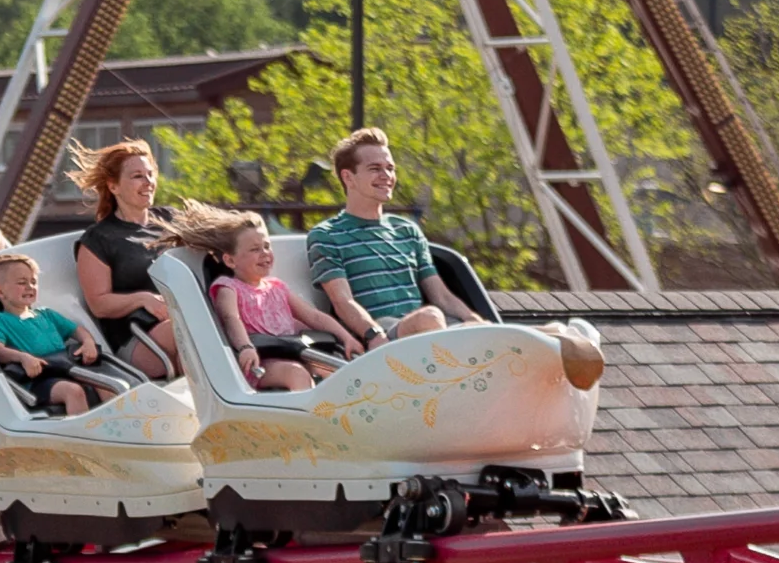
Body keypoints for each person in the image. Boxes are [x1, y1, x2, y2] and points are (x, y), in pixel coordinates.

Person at [303, 129, 498, 349]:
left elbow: (441, 296)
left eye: (390, 168)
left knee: (525, 332)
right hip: (383, 333)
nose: (386, 176)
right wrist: (374, 335)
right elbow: (342, 301)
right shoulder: (326, 235)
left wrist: (476, 321)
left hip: (426, 329)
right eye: (375, 169)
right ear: (349, 177)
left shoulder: (407, 229)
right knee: (430, 317)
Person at [181, 207, 340, 392]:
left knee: (334, 368)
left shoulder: (277, 287)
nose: (264, 253)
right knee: (297, 373)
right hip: (259, 361)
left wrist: (346, 337)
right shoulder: (228, 288)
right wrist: (245, 346)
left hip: (294, 352)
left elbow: (313, 316)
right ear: (231, 261)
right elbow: (231, 319)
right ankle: (304, 419)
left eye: (266, 246)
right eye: (255, 249)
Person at [69, 139, 185, 379]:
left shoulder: (170, 219)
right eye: (137, 176)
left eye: (150, 174)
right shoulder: (99, 239)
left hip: (181, 319)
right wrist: (142, 299)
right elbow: (99, 304)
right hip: (138, 340)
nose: (149, 182)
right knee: (191, 327)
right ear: (113, 186)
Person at [0, 251, 127, 416]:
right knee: (73, 391)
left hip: (67, 368)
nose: (30, 287)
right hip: (37, 379)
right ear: (0, 292)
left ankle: (120, 426)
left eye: (33, 282)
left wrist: (88, 343)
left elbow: (77, 330)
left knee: (107, 384)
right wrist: (23, 357)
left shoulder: (46, 314)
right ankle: (82, 437)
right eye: (22, 282)